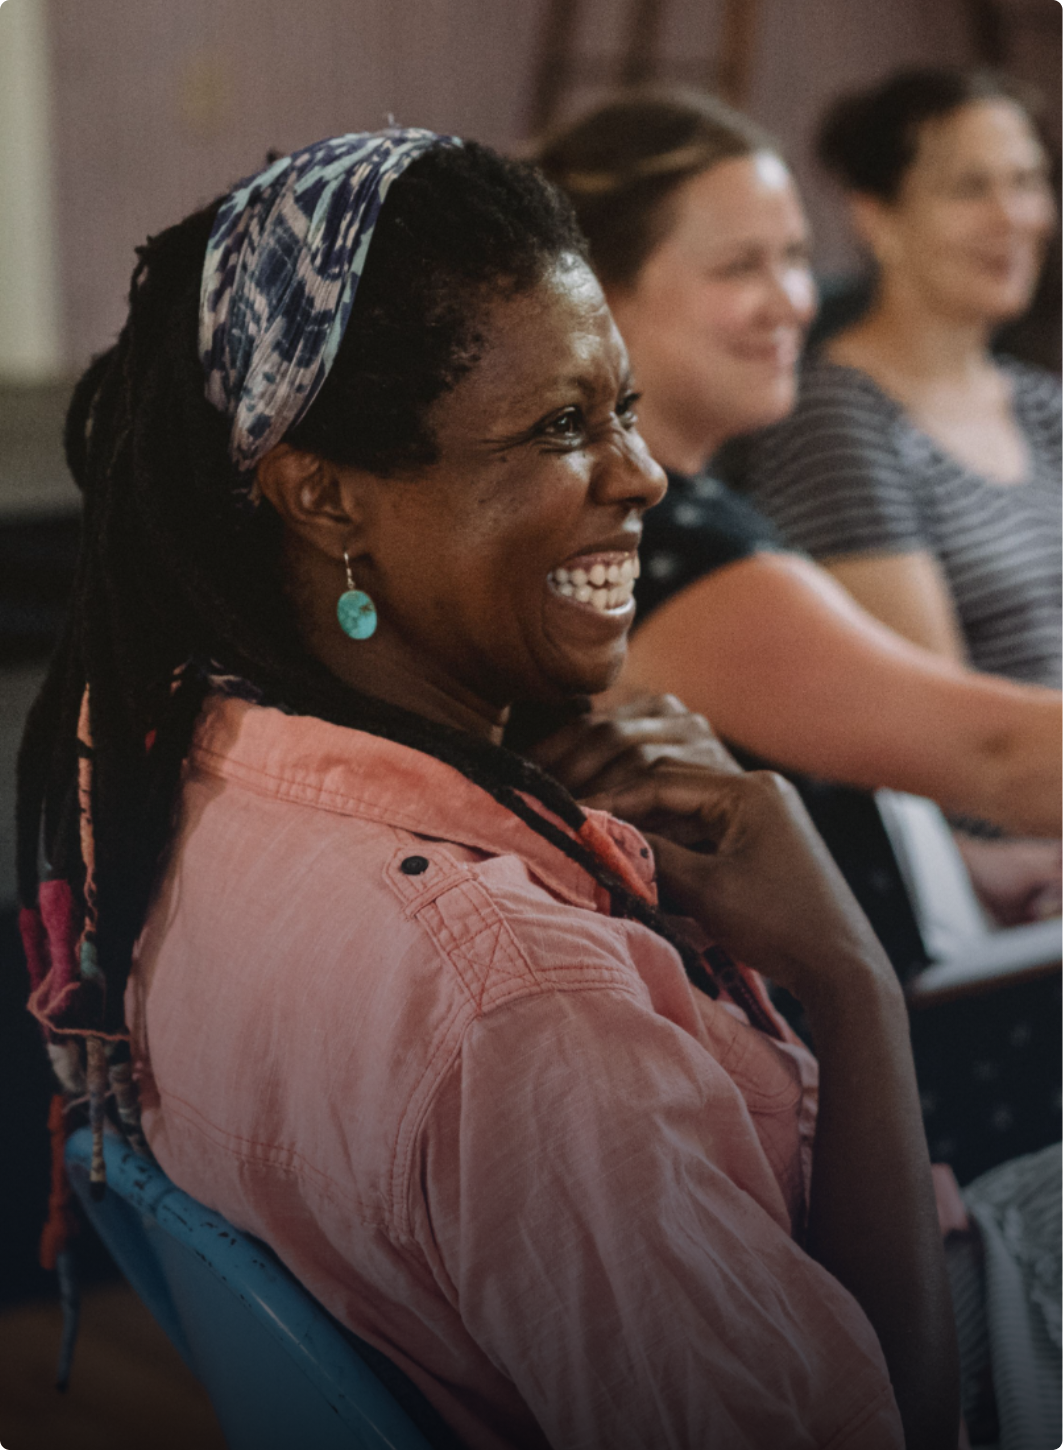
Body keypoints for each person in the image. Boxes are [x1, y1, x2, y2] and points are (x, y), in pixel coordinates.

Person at [15, 129, 957, 1448]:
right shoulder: (533, 1018)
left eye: (620, 408)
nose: (640, 476)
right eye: (560, 427)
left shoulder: (185, 765)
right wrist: (849, 983)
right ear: (326, 496)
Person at [534, 88, 1062, 924]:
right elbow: (993, 755)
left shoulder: (683, 511)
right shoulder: (656, 545)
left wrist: (965, 868)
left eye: (793, 257)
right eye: (741, 267)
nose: (794, 302)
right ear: (595, 298)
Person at [745, 68, 1063, 692]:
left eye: (1027, 181)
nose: (1013, 216)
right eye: (970, 188)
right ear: (875, 218)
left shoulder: (1041, 402)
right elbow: (946, 730)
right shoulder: (834, 422)